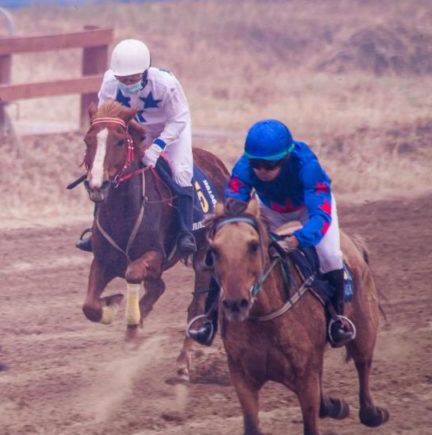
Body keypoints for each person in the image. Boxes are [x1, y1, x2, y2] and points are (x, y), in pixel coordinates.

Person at [186, 119, 356, 348]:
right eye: (256, 164)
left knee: (330, 256)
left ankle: (337, 320)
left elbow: (320, 218)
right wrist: (230, 216)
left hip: (311, 209)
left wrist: (296, 240)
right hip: (270, 208)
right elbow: (235, 199)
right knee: (229, 252)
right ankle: (209, 321)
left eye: (270, 165)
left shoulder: (309, 167)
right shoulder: (244, 167)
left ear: (285, 159)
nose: (262, 171)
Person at [76, 38, 197, 259]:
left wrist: (157, 147)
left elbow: (179, 119)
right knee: (108, 172)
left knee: (181, 172)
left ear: (145, 71)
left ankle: (186, 232)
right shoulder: (109, 82)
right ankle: (97, 231)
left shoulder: (166, 84)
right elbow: (106, 118)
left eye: (132, 79)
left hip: (170, 129)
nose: (127, 83)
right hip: (134, 127)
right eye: (122, 79)